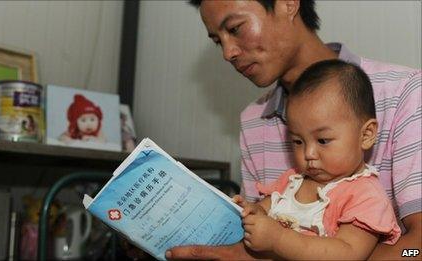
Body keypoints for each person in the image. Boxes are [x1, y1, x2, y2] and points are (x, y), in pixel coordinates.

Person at [167, 0, 421, 259]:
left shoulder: (405, 92)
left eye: (235, 28)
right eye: (218, 41)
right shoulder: (254, 119)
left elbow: (417, 248)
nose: (228, 53)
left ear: (288, 4)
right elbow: (258, 235)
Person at [234, 59, 401, 260]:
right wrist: (249, 212)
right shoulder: (292, 180)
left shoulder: (365, 196)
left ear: (365, 135)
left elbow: (347, 253)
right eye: (298, 141)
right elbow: (264, 209)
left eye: (322, 140)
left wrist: (279, 239)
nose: (308, 154)